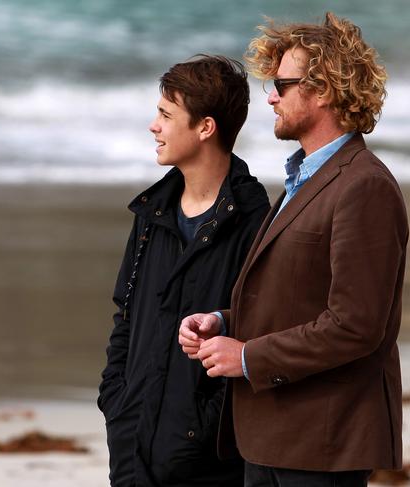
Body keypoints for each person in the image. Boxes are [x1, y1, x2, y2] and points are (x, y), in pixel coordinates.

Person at [179, 12, 409, 487]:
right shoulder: (303, 178)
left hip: (322, 444)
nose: (270, 96)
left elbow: (357, 325)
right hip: (273, 436)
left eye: (281, 85)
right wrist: (224, 322)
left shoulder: (365, 186)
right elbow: (295, 296)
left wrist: (247, 358)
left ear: (322, 90)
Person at [98, 55, 270, 486]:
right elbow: (127, 313)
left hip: (208, 460)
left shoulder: (255, 220)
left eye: (165, 114)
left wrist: (206, 424)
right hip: (132, 441)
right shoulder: (150, 213)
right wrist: (115, 398)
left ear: (205, 127)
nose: (154, 126)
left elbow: (260, 328)